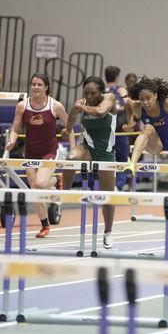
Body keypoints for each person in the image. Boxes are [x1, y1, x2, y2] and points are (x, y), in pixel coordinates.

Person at [5, 73, 73, 238]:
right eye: (33, 84)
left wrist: (73, 148)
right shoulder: (22, 106)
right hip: (30, 153)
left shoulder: (55, 106)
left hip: (49, 151)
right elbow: (15, 128)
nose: (35, 87)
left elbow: (69, 126)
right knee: (34, 189)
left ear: (46, 87)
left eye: (39, 84)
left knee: (41, 183)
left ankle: (56, 181)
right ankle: (45, 226)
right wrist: (12, 140)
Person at [61, 76, 118, 249]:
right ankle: (63, 196)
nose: (89, 95)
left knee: (107, 197)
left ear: (101, 92)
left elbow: (101, 112)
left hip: (106, 152)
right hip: (86, 147)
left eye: (93, 93)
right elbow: (71, 116)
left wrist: (82, 107)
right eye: (86, 93)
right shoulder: (81, 102)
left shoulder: (109, 99)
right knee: (71, 159)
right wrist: (67, 129)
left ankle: (108, 232)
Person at [104, 65, 130, 191]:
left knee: (104, 158)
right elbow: (129, 105)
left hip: (105, 131)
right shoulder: (121, 90)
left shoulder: (101, 90)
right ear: (116, 77)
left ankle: (103, 186)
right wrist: (129, 122)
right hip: (119, 131)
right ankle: (118, 186)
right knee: (122, 159)